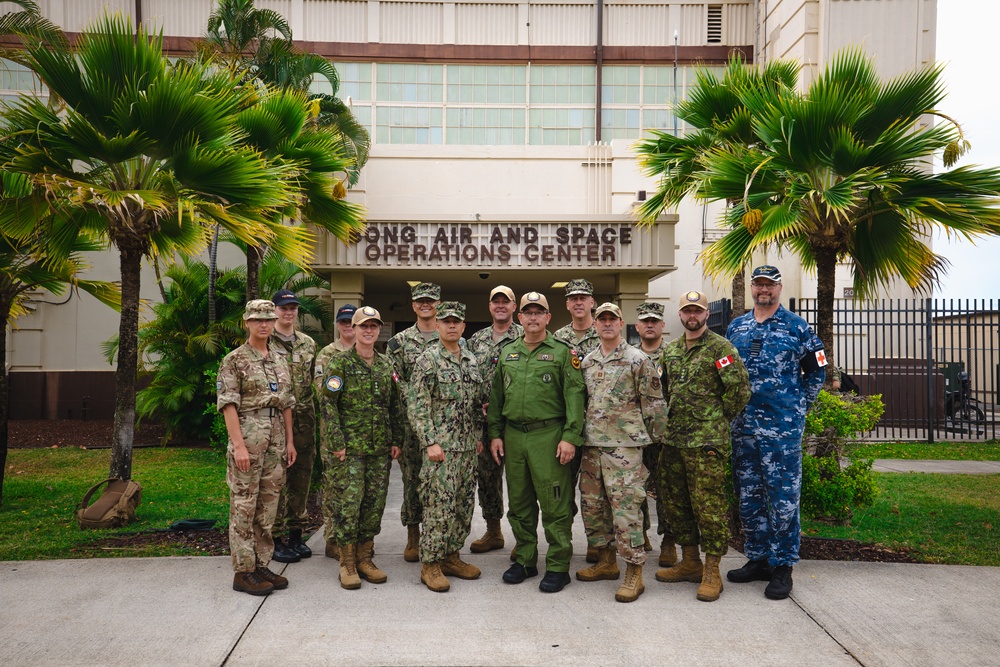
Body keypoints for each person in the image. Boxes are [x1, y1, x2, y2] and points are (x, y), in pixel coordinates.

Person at [726, 265, 826, 600]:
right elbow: (723, 370)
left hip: (781, 429)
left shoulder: (798, 327)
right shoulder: (736, 327)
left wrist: (797, 411)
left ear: (779, 288)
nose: (763, 290)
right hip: (743, 428)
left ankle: (783, 565)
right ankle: (758, 558)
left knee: (783, 499)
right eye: (758, 284)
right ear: (751, 288)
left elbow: (816, 372)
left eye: (770, 284)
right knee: (749, 495)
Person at [654, 290, 750, 602]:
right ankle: (691, 562)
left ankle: (712, 569)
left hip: (706, 443)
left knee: (708, 506)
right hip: (674, 441)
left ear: (706, 314)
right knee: (677, 503)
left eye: (697, 310)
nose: (692, 316)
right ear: (680, 316)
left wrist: (716, 419)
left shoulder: (721, 348)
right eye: (686, 311)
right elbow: (666, 391)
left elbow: (739, 390)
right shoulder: (671, 351)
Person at [488, 291, 585, 594]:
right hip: (515, 435)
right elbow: (496, 397)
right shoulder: (507, 353)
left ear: (548, 317)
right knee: (519, 502)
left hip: (549, 435)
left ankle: (557, 565)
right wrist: (494, 433)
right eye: (527, 312)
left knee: (555, 502)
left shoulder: (562, 353)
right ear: (520, 318)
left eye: (538, 312)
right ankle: (526, 559)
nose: (532, 317)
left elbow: (575, 397)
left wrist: (570, 437)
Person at [576, 302, 667, 603]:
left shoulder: (637, 359)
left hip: (625, 447)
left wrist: (656, 444)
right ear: (595, 324)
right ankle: (606, 561)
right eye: (601, 319)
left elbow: (654, 404)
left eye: (611, 319)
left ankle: (634, 572)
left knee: (626, 511)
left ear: (621, 323)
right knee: (593, 508)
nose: (606, 324)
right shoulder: (588, 361)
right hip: (592, 447)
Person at [318, 306, 403, 589]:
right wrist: (336, 442)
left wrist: (396, 440)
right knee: (349, 504)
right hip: (350, 449)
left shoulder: (384, 365)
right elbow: (328, 404)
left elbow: (394, 405)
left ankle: (366, 558)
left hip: (379, 448)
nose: (369, 331)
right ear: (352, 330)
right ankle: (348, 562)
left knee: (374, 503)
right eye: (363, 326)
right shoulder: (339, 364)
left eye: (374, 326)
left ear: (379, 330)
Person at [217, 299, 297, 596]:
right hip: (249, 437)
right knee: (244, 504)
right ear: (247, 323)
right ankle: (243, 571)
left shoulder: (279, 357)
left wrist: (289, 441)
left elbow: (287, 403)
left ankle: (261, 563)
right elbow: (227, 405)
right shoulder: (235, 360)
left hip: (275, 439)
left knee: (268, 505)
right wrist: (238, 446)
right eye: (257, 319)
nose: (263, 324)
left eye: (268, 319)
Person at [408, 302, 489, 592]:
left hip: (467, 449)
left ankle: (451, 556)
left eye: (457, 321)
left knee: (463, 506)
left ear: (464, 326)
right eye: (446, 321)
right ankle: (430, 564)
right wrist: (429, 441)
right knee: (438, 507)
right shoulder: (427, 360)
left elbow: (477, 403)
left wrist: (478, 436)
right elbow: (418, 405)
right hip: (440, 450)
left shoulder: (471, 360)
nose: (452, 325)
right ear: (438, 326)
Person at [387, 282, 441, 563]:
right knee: (411, 480)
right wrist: (419, 400)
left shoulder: (450, 338)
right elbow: (394, 378)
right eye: (421, 301)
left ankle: (438, 533)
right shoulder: (399, 342)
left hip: (443, 425)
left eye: (430, 300)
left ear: (438, 304)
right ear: (413, 305)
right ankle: (413, 535)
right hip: (411, 426)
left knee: (438, 481)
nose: (425, 305)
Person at [466, 285, 523, 555]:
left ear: (514, 307)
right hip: (485, 423)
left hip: (515, 422)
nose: (501, 305)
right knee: (487, 479)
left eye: (506, 302)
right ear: (490, 307)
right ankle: (493, 531)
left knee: (520, 479)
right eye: (495, 301)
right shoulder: (476, 340)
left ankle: (524, 537)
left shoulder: (526, 336)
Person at [270, 290, 317, 564]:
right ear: (275, 310)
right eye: (284, 308)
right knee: (277, 480)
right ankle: (275, 539)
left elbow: (313, 382)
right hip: (275, 424)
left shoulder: (308, 344)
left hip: (304, 422)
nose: (289, 312)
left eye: (293, 308)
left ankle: (296, 534)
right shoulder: (266, 341)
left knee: (301, 479)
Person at [634, 301, 677, 568]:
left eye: (654, 321)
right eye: (645, 321)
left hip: (664, 436)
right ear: (637, 326)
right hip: (634, 434)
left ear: (662, 326)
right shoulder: (628, 354)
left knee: (665, 490)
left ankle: (669, 541)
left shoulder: (672, 356)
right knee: (633, 489)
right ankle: (640, 534)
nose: (650, 325)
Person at [313, 303, 357, 561]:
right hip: (333, 430)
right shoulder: (327, 354)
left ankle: (353, 540)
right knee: (333, 486)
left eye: (352, 321)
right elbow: (323, 392)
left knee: (356, 488)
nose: (348, 325)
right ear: (337, 325)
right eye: (343, 321)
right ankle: (331, 539)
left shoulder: (368, 352)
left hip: (359, 432)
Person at [552, 278, 600, 356]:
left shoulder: (603, 333)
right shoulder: (558, 337)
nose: (578, 303)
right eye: (574, 299)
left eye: (582, 299)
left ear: (591, 303)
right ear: (567, 305)